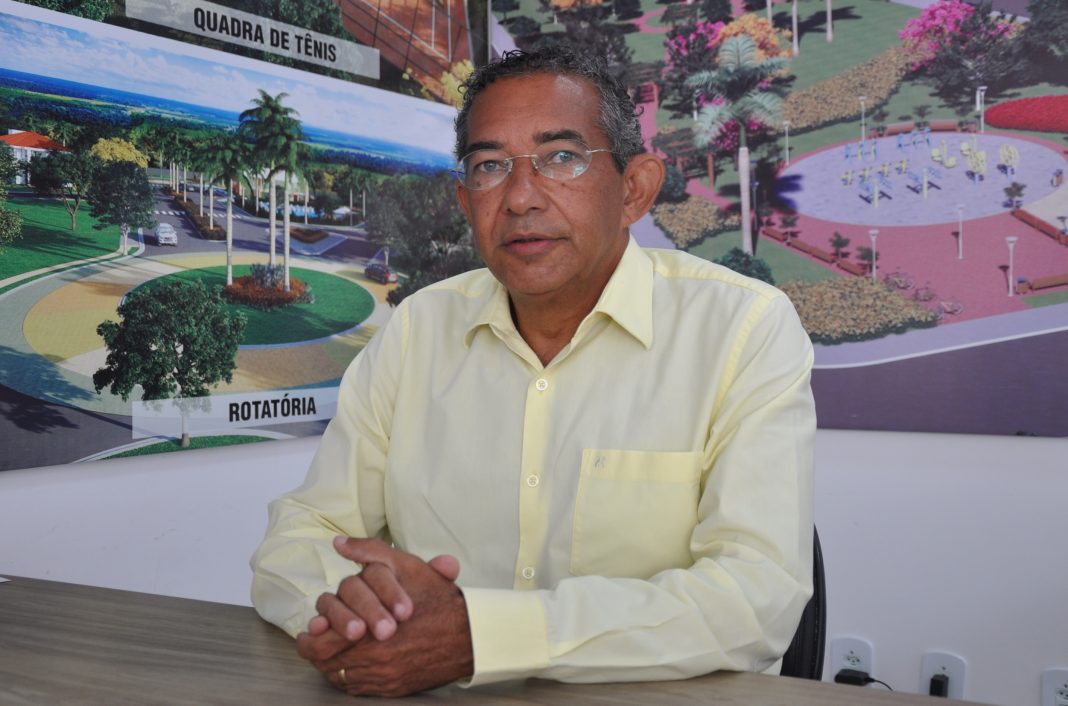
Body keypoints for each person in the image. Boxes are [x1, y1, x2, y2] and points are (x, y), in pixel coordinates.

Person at [250, 46, 816, 698]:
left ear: (634, 189)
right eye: (490, 167)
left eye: (562, 157)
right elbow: (302, 537)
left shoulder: (743, 329)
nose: (519, 197)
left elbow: (755, 598)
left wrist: (480, 637)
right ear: (466, 201)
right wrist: (362, 619)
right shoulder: (419, 329)